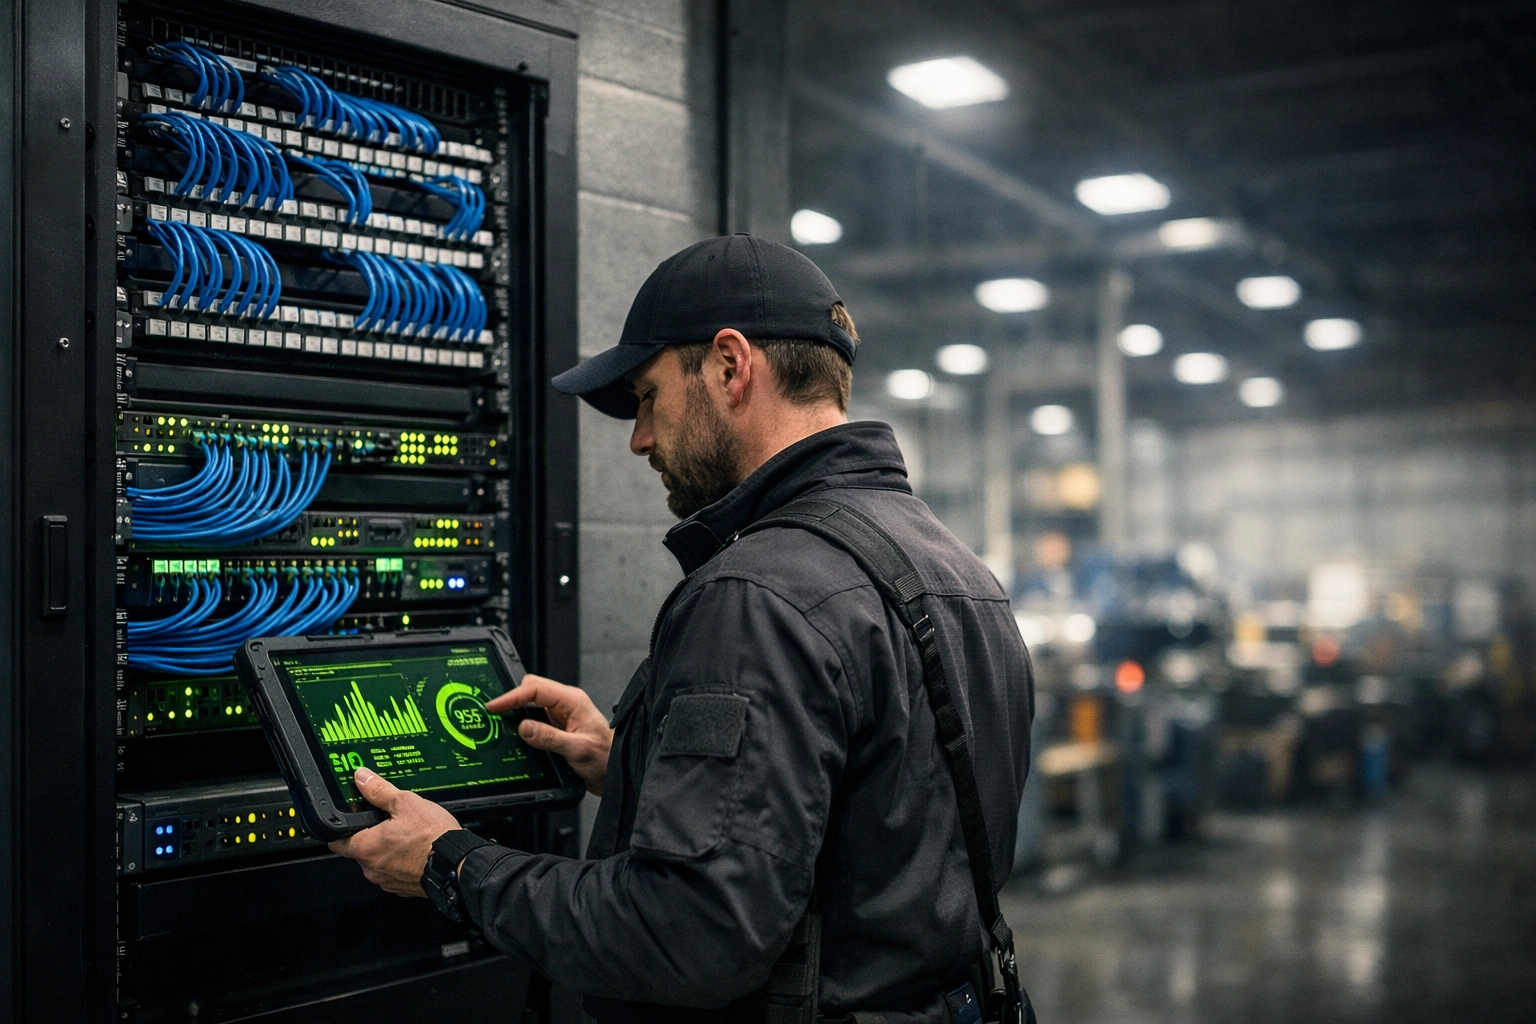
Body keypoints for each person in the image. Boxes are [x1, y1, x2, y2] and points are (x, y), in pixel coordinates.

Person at [330, 234, 1035, 1023]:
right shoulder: (953, 569)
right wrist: (630, 759)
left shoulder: (755, 593)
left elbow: (687, 937)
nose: (639, 438)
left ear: (731, 367)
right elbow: (879, 820)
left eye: (646, 396)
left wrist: (452, 867)